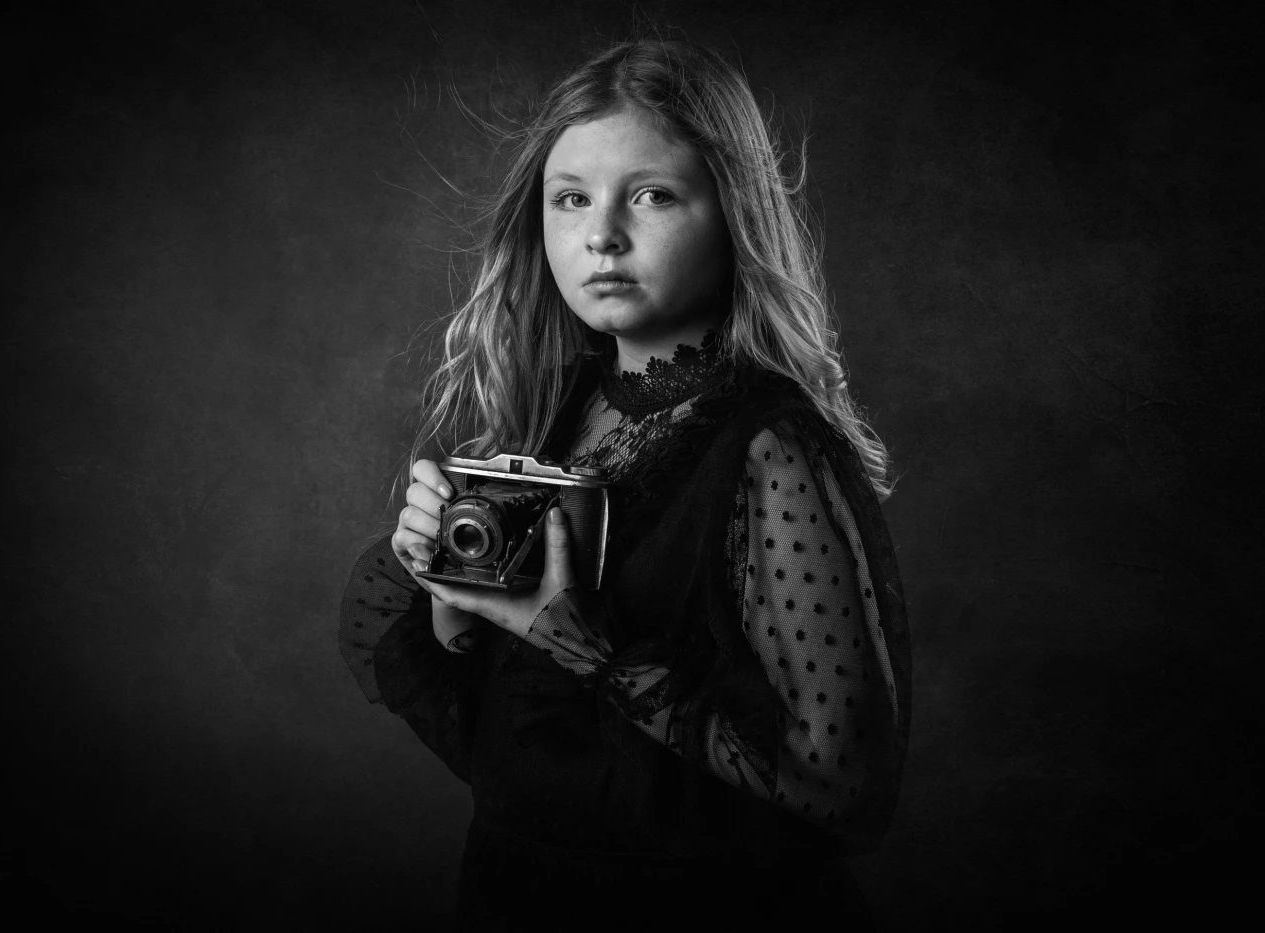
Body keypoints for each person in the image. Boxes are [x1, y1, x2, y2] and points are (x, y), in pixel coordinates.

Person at [339, 38, 910, 932]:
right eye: (570, 199)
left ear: (734, 213)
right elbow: (526, 746)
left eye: (651, 194)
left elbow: (838, 783)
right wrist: (454, 601)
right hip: (520, 890)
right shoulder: (556, 407)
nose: (600, 234)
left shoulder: (770, 446)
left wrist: (586, 645)